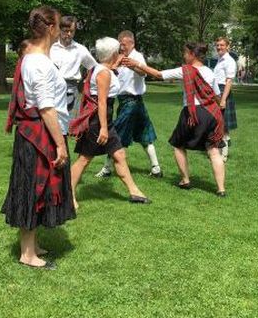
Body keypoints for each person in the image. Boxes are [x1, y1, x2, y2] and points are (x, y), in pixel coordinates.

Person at [1, 6, 75, 270]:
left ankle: (32, 246)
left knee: (36, 188)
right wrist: (59, 144)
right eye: (59, 26)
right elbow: (45, 106)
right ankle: (27, 254)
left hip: (35, 134)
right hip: (40, 136)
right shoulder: (39, 62)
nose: (63, 31)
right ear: (51, 29)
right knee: (32, 189)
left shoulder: (33, 57)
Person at [122, 42, 226, 197]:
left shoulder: (184, 71)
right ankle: (221, 189)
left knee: (178, 145)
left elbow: (158, 74)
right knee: (214, 151)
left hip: (192, 113)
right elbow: (216, 96)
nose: (184, 56)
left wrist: (138, 64)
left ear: (192, 54)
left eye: (185, 53)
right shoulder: (210, 72)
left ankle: (185, 180)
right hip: (211, 114)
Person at [69, 37, 150, 208]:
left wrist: (115, 65)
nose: (120, 53)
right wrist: (104, 129)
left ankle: (134, 192)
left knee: (119, 155)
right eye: (118, 51)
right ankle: (68, 195)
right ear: (113, 53)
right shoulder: (103, 73)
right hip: (98, 121)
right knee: (84, 159)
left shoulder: (101, 69)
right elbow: (102, 102)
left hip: (104, 120)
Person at [95, 30, 162, 178]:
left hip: (131, 102)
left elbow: (143, 73)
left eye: (124, 45)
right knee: (144, 134)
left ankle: (107, 169)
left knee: (115, 135)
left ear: (132, 43)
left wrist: (133, 65)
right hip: (129, 102)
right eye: (120, 45)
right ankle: (156, 168)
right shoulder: (119, 57)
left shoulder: (137, 57)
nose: (122, 47)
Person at [49, 16, 97, 118]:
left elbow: (94, 68)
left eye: (72, 31)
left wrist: (86, 83)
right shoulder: (50, 48)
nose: (69, 34)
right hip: (51, 89)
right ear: (59, 30)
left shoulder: (80, 49)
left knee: (68, 125)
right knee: (51, 122)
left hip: (71, 90)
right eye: (66, 31)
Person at [213, 37, 237, 162]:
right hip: (217, 91)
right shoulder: (220, 60)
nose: (219, 47)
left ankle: (224, 154)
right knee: (218, 123)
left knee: (223, 124)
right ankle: (220, 149)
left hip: (223, 92)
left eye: (222, 45)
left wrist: (223, 99)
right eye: (217, 45)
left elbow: (229, 81)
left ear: (227, 46)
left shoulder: (229, 61)